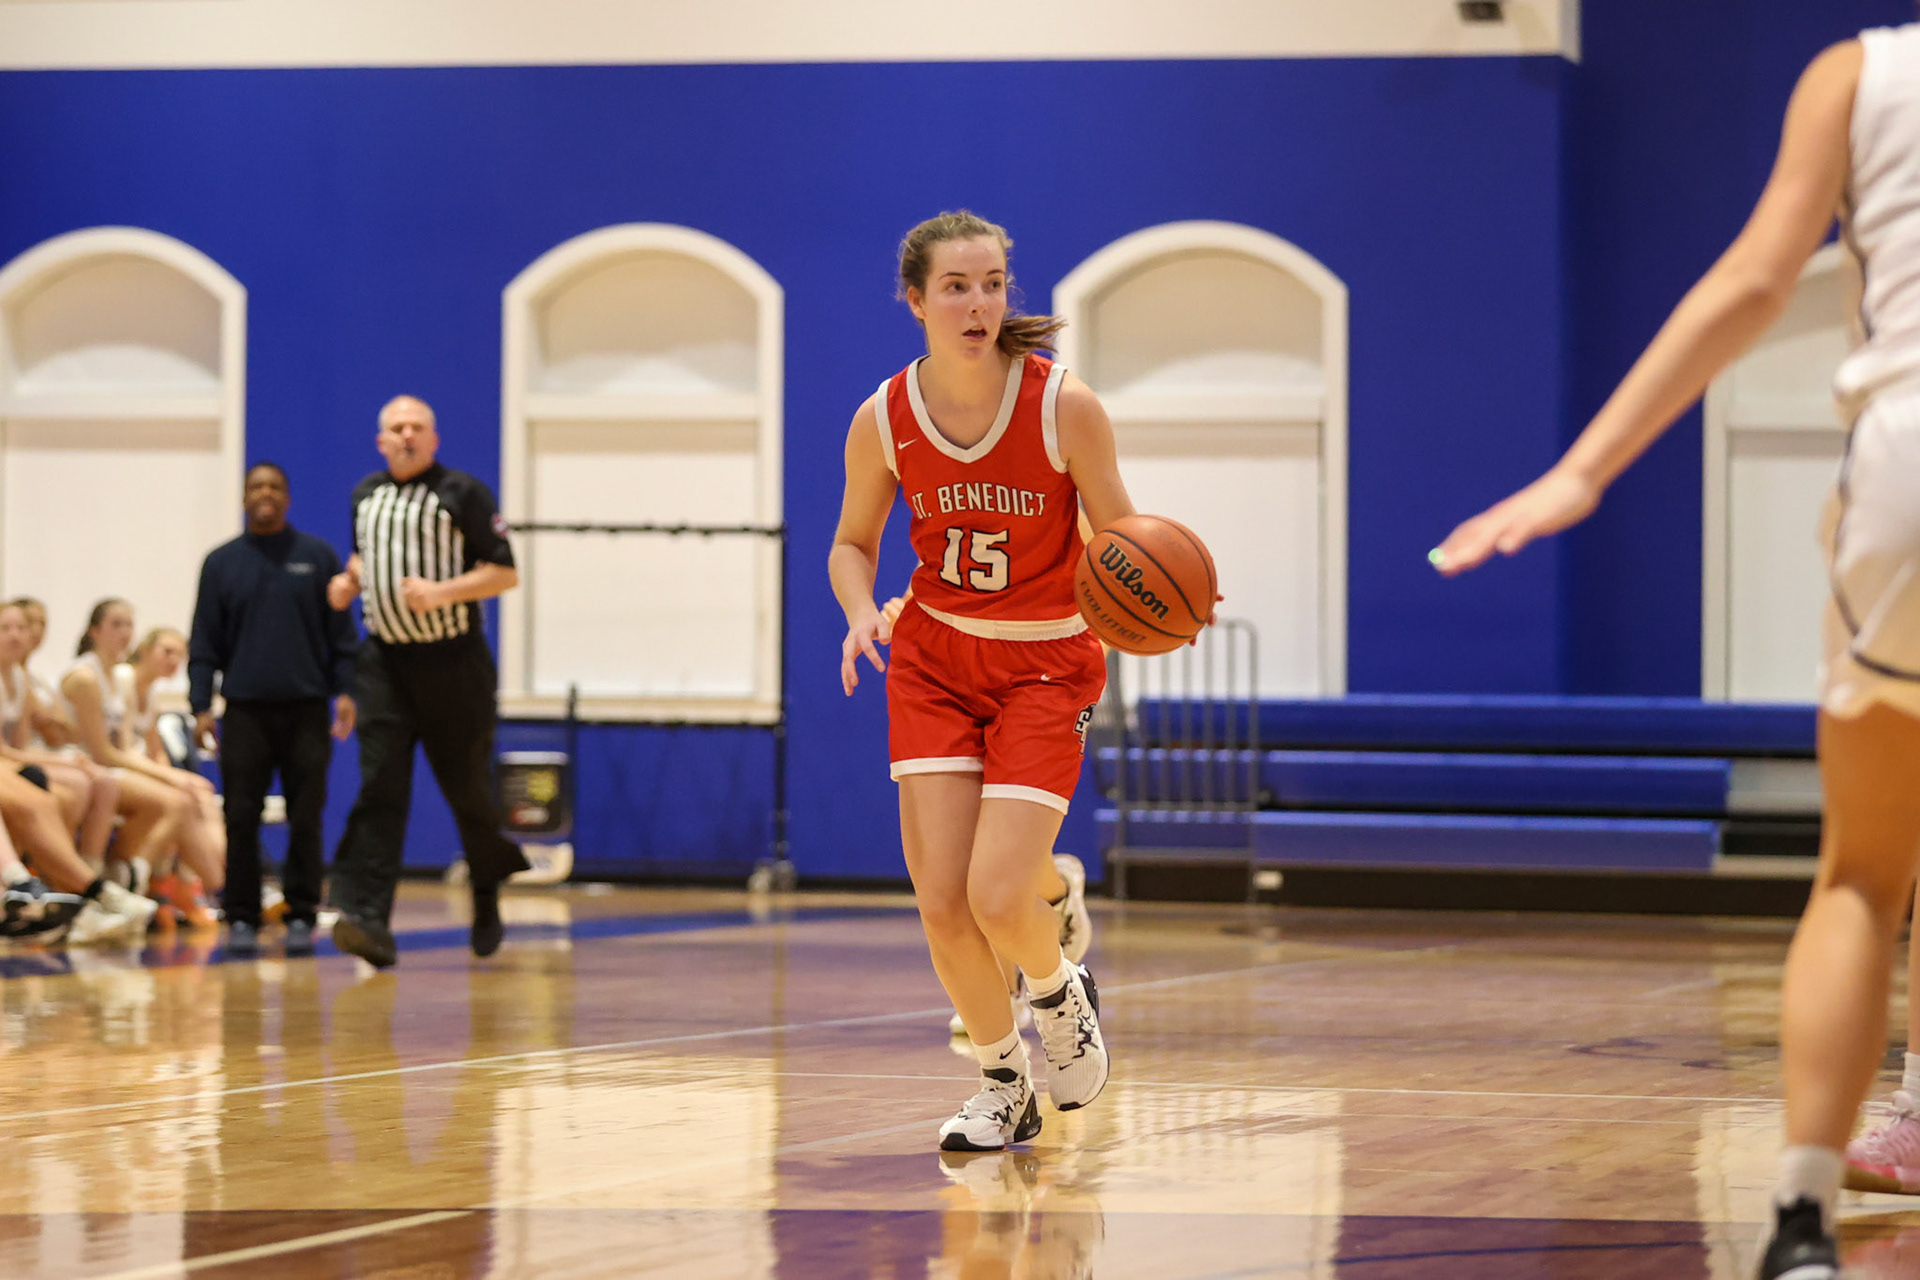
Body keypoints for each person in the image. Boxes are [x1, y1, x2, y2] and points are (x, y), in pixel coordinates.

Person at [1431, 29, 1911, 1278]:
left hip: (1909, 468)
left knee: (1865, 868)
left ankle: (1803, 1217)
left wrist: (1581, 469)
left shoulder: (1861, 73)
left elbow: (1757, 280)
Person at [830, 211, 1138, 1151]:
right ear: (915, 300)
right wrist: (860, 611)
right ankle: (1006, 1084)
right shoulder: (884, 415)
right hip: (933, 656)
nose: (978, 303)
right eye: (957, 287)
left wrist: (1156, 601)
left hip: (1047, 657)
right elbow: (852, 544)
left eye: (993, 283)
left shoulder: (1064, 407)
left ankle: (1060, 994)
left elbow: (1124, 542)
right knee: (942, 898)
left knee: (1000, 895)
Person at [325, 394, 528, 967]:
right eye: (397, 428)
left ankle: (485, 892)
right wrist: (349, 582)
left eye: (417, 427)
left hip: (454, 664)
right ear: (381, 441)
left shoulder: (463, 493)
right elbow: (367, 557)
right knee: (379, 791)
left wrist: (440, 593)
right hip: (384, 666)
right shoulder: (366, 495)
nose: (407, 435)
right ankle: (368, 919)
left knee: (467, 791)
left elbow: (505, 572)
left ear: (434, 439)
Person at [188, 461, 358, 957]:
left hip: (306, 709)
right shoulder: (221, 563)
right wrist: (201, 704)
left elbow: (341, 638)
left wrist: (345, 691)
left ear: (288, 498)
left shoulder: (316, 556)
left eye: (275, 486)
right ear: (244, 498)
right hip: (244, 712)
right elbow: (204, 641)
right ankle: (240, 914)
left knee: (308, 816)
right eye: (257, 486)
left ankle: (302, 911)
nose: (266, 493)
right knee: (241, 816)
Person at [61, 599, 225, 928]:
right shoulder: (90, 677)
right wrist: (172, 778)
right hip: (85, 768)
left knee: (196, 798)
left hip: (109, 769)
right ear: (94, 631)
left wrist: (173, 775)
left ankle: (166, 881)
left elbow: (137, 748)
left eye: (128, 625)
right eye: (116, 625)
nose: (124, 633)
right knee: (177, 800)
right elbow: (104, 751)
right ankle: (138, 881)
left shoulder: (116, 678)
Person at [0, 601, 118, 865]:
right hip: (19, 760)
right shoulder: (83, 676)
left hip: (26, 756)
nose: (21, 634)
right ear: (94, 632)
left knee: (99, 784)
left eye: (25, 627)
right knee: (70, 790)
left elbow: (66, 733)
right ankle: (53, 874)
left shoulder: (25, 677)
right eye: (8, 628)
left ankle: (83, 870)